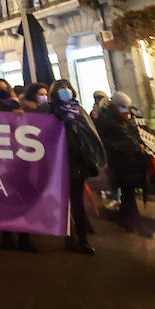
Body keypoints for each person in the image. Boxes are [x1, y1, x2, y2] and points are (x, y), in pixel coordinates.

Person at [48, 80, 106, 255]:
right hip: (60, 163)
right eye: (61, 89)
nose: (65, 91)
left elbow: (90, 134)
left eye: (67, 88)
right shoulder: (51, 111)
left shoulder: (78, 110)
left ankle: (82, 240)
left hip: (78, 162)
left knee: (77, 202)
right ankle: (69, 237)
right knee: (65, 203)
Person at [96, 92, 153, 239]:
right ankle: (138, 224)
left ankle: (124, 220)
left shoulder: (126, 118)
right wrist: (131, 147)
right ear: (114, 106)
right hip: (119, 163)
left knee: (129, 193)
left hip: (131, 162)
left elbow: (134, 135)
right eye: (122, 106)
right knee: (128, 193)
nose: (125, 109)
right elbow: (110, 141)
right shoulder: (106, 120)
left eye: (126, 107)